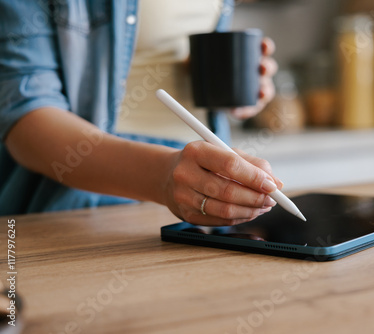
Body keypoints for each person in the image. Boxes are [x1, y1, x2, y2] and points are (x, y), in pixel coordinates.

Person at [0, 0, 281, 226]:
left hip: (202, 197)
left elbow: (162, 59)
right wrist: (164, 178)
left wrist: (237, 84)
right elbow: (25, 119)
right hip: (90, 208)